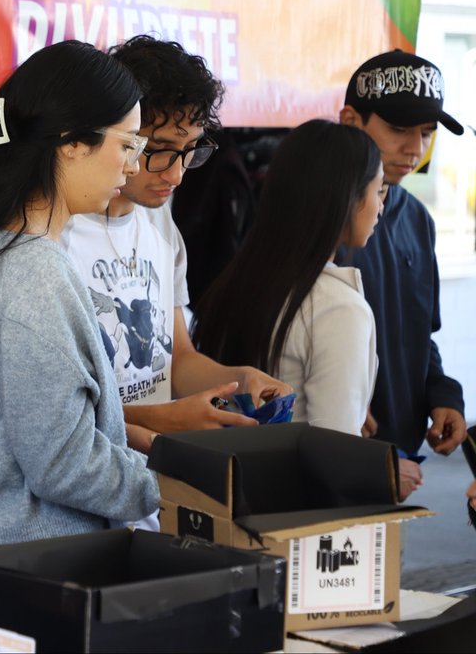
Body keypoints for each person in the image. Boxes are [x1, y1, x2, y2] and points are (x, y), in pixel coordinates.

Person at [0, 40, 160, 549]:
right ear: (71, 142)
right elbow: (64, 465)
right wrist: (172, 484)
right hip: (36, 566)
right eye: (128, 144)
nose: (133, 166)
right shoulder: (33, 273)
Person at [63, 35, 290, 454]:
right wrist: (163, 418)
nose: (177, 174)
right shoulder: (57, 235)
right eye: (161, 151)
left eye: (189, 151)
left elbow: (177, 357)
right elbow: (56, 413)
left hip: (149, 476)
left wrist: (240, 379)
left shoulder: (159, 222)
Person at [192, 120, 384, 439]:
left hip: (228, 465)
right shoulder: (338, 308)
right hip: (292, 471)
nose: (380, 207)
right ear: (349, 197)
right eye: (378, 190)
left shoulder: (238, 280)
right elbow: (336, 448)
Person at [338, 49, 467, 500]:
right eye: (399, 129)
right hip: (323, 456)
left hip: (402, 463)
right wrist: (338, 408)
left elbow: (418, 335)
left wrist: (444, 395)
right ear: (350, 121)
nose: (415, 148)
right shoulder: (314, 217)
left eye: (427, 132)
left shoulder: (418, 220)